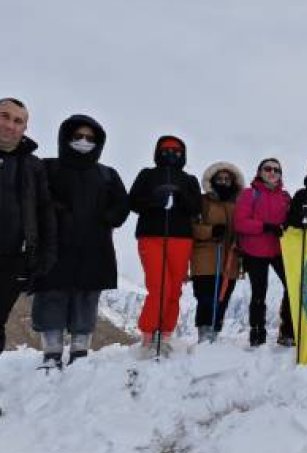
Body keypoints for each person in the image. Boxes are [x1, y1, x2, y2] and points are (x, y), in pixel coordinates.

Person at [32, 115, 129, 368]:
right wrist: (56, 211)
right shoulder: (47, 167)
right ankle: (51, 351)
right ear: (66, 138)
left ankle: (80, 350)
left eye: (90, 138)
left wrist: (106, 218)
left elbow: (122, 204)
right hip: (54, 245)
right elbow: (35, 198)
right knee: (51, 294)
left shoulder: (107, 174)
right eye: (78, 137)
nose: (84, 141)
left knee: (86, 297)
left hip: (94, 246)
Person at [128, 136, 202, 356]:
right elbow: (132, 202)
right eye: (167, 149)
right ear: (158, 152)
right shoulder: (147, 175)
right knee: (159, 286)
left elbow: (196, 207)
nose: (171, 154)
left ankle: (166, 334)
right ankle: (148, 335)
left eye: (177, 150)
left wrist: (180, 197)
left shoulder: (189, 179)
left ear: (183, 154)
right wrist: (154, 200)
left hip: (181, 238)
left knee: (174, 289)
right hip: (151, 236)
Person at [0, 98, 56, 356]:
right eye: (4, 116)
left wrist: (43, 258)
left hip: (11, 261)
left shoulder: (33, 166)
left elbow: (45, 212)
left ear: (24, 128)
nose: (10, 125)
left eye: (17, 121)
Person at [234, 158, 292, 347]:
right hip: (255, 251)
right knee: (259, 293)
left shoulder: (285, 197)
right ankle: (257, 332)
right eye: (268, 169)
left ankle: (287, 330)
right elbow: (240, 222)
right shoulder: (249, 194)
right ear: (260, 172)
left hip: (279, 250)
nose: (272, 172)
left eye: (277, 169)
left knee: (292, 287)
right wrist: (265, 227)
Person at [191, 162, 245, 343]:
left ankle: (214, 333)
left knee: (222, 298)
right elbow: (191, 227)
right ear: (212, 181)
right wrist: (210, 231)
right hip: (205, 258)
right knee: (205, 298)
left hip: (230, 259)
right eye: (220, 179)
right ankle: (204, 334)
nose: (223, 182)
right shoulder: (202, 201)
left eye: (227, 179)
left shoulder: (238, 203)